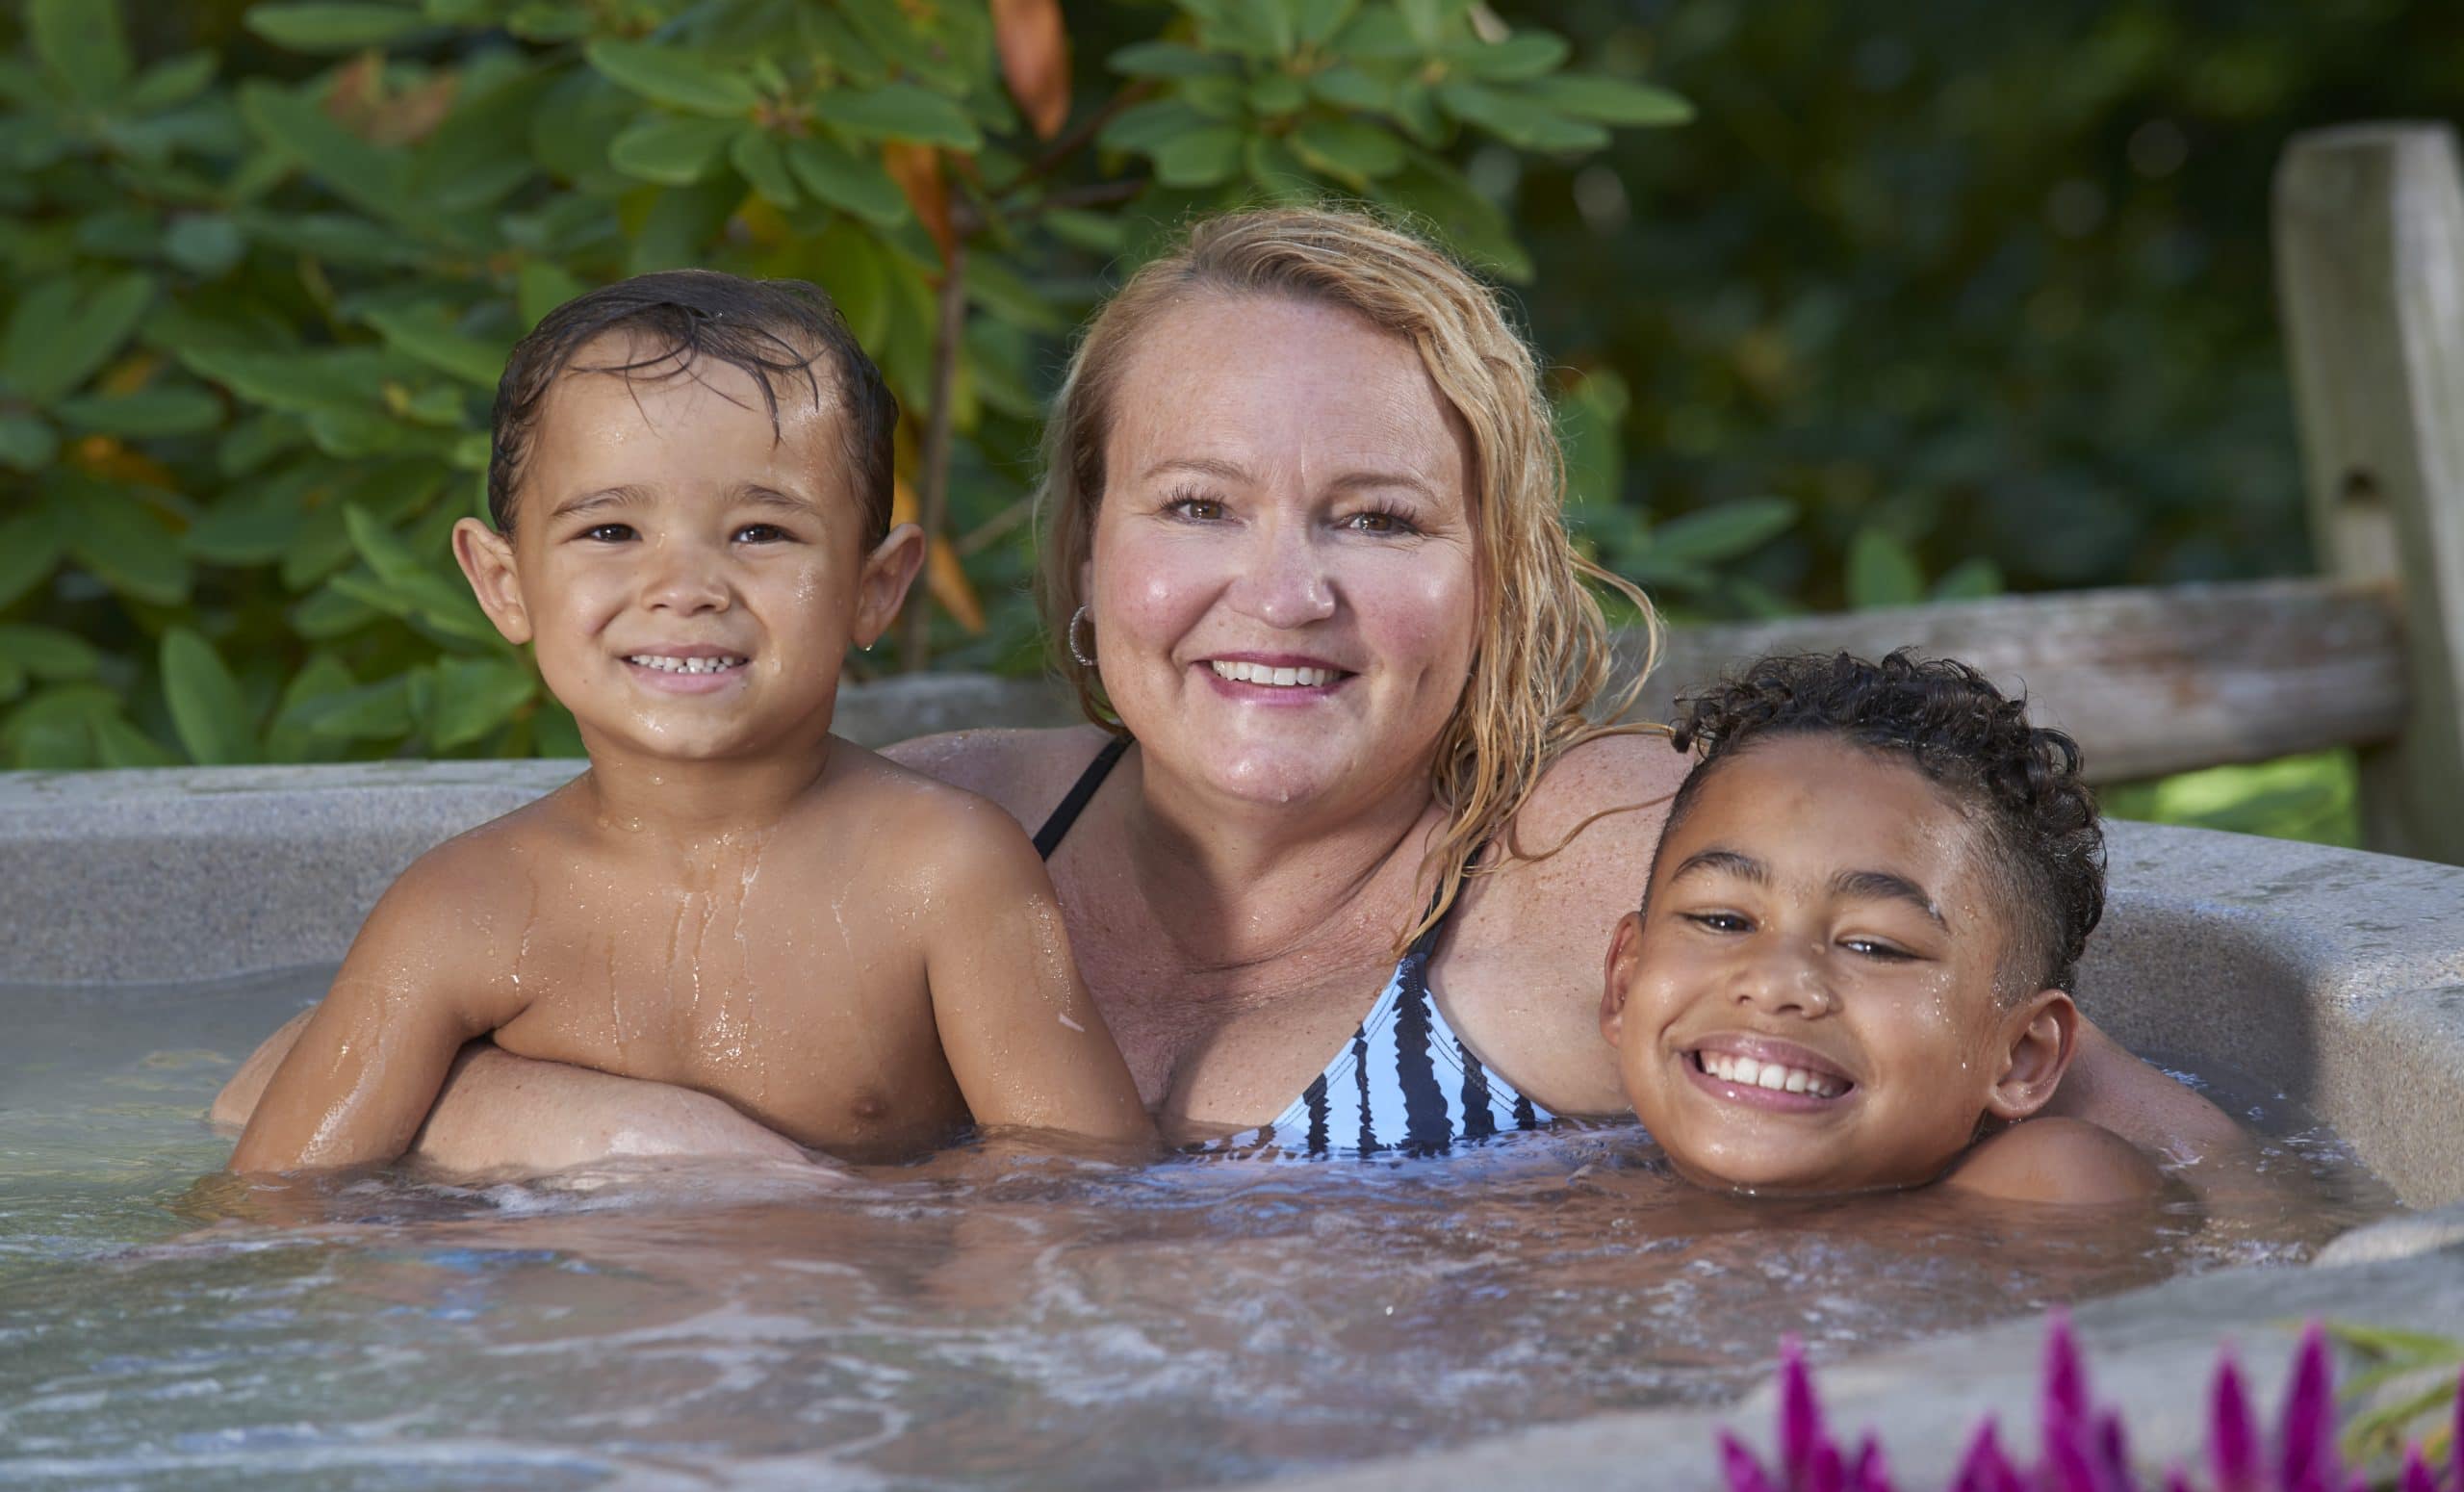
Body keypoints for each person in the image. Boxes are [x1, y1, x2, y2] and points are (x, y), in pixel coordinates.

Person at [216, 208, 2243, 1172]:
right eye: (1196, 502)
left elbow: (2142, 1145)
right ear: (1088, 550)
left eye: (1371, 515)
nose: (1280, 596)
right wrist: (682, 1156)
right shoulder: (940, 822)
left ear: (1494, 567)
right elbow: (281, 1103)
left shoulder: (1624, 858)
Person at [218, 270, 1149, 1177]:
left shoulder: (943, 872)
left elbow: (1082, 1185)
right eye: (610, 533)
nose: (686, 590)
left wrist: (850, 1225)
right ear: (505, 585)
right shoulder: (463, 910)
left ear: (875, 589)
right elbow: (272, 1213)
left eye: (760, 533)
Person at [1601, 650, 2166, 1202]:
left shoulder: (2046, 1187)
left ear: (2022, 1056)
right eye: (1722, 920)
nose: (1775, 982)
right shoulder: (1578, 1189)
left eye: (1874, 946)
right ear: (1624, 986)